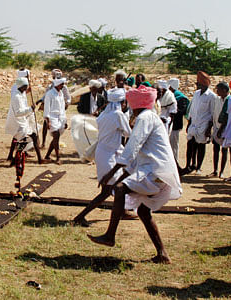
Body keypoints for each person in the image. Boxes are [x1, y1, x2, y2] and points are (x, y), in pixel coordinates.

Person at [88, 85, 182, 264]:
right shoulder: (148, 117)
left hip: (156, 170)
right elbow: (134, 158)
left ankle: (109, 235)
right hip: (154, 170)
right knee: (144, 212)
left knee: (120, 189)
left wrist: (112, 173)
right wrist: (118, 174)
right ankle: (162, 254)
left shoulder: (145, 117)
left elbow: (133, 146)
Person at [73, 88, 132, 226]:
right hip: (110, 155)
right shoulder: (118, 115)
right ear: (122, 102)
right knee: (106, 191)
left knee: (118, 187)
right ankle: (80, 217)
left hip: (105, 153)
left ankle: (122, 211)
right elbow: (128, 133)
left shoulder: (104, 115)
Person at [182, 71, 216, 175]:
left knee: (201, 146)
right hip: (194, 123)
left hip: (204, 125)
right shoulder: (196, 94)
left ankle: (198, 167)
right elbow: (192, 110)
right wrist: (188, 124)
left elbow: (212, 114)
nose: (197, 86)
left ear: (204, 84)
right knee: (190, 144)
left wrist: (209, 129)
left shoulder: (211, 96)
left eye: (199, 84)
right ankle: (188, 165)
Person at [5, 77, 42, 164]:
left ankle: (15, 159)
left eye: (27, 86)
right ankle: (39, 159)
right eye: (25, 86)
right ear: (20, 86)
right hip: (17, 122)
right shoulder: (16, 97)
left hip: (23, 120)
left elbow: (24, 109)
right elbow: (18, 112)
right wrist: (30, 109)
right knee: (30, 137)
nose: (26, 88)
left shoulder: (22, 94)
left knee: (26, 139)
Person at [40, 69, 71, 148]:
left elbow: (68, 97)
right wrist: (40, 101)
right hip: (50, 109)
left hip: (60, 108)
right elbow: (45, 96)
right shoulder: (50, 87)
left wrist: (67, 103)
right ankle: (43, 142)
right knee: (45, 124)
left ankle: (55, 143)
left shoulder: (64, 87)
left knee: (59, 127)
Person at [207, 82, 230, 178]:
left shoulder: (230, 100)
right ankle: (215, 170)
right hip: (216, 127)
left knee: (224, 150)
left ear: (224, 90)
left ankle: (222, 171)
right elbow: (214, 113)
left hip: (226, 128)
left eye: (218, 89)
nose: (217, 91)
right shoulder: (217, 99)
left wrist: (221, 128)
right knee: (215, 149)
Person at [43, 77, 67, 164]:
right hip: (52, 117)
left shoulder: (60, 93)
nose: (63, 86)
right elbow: (47, 108)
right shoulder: (50, 94)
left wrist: (65, 120)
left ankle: (47, 155)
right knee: (56, 135)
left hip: (60, 117)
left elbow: (62, 108)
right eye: (61, 84)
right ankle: (58, 157)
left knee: (56, 137)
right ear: (57, 85)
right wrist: (48, 121)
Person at [168, 78, 189, 164]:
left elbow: (182, 111)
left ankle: (175, 163)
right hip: (169, 124)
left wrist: (172, 112)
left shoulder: (181, 98)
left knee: (174, 145)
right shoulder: (170, 96)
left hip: (176, 124)